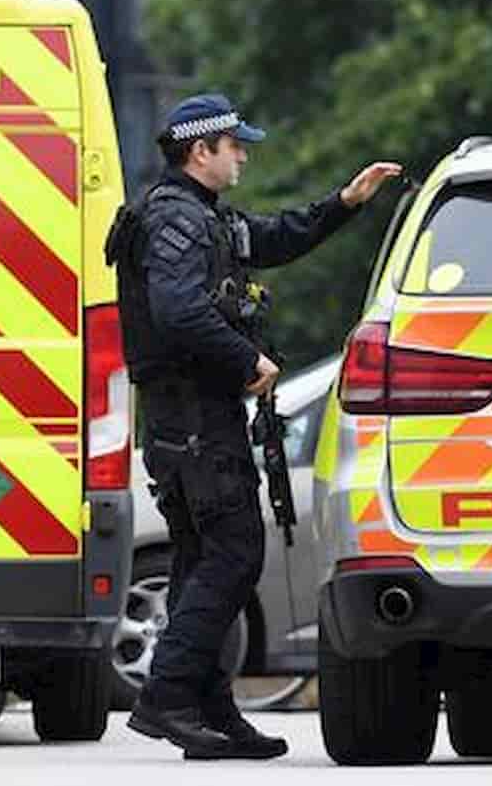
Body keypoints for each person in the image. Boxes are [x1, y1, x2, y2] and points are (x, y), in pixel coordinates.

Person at [108, 93, 401, 760]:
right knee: (234, 553)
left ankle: (210, 709)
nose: (243, 154)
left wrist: (345, 202)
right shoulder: (176, 221)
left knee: (202, 561)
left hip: (192, 421)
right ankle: (168, 695)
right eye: (234, 144)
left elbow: (271, 238)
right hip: (192, 421)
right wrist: (249, 358)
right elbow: (179, 310)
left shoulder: (201, 217)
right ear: (199, 149)